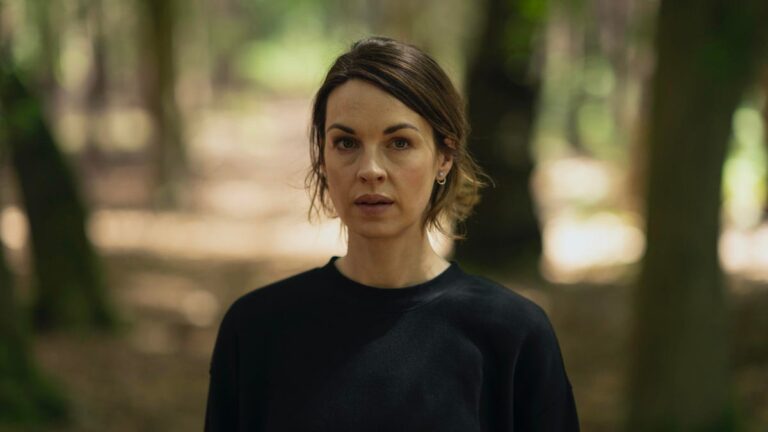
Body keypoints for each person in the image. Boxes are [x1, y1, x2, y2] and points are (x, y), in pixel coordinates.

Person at [204, 36, 579, 431]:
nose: (370, 169)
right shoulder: (257, 329)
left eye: (399, 142)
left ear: (444, 157)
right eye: (346, 142)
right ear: (323, 158)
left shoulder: (513, 333)